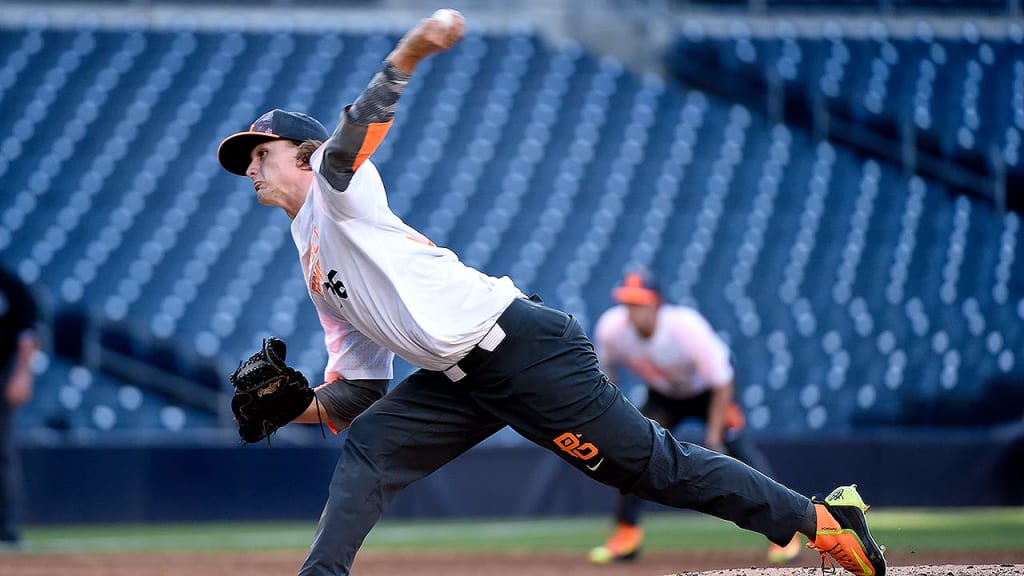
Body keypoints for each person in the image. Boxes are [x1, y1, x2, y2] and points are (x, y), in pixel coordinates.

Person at [215, 10, 887, 576]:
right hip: (456, 379)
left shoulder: (337, 190)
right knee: (371, 445)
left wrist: (410, 53)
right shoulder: (313, 262)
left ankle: (824, 521)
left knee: (655, 470)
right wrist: (295, 409)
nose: (250, 167)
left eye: (261, 152)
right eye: (247, 159)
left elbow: (348, 142)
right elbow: (361, 390)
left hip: (520, 348)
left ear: (303, 153)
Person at [588, 270, 801, 565]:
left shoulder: (685, 327)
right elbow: (608, 374)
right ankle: (626, 536)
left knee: (740, 453)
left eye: (640, 303)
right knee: (634, 452)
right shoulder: (612, 329)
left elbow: (722, 382)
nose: (633, 312)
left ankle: (785, 532)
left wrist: (713, 437)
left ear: (657, 304)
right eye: (628, 303)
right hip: (664, 394)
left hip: (710, 393)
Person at [0, 263, 38, 548]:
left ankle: (7, 528)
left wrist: (23, 372)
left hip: (1, 373)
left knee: (2, 452)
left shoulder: (8, 283)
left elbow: (27, 334)